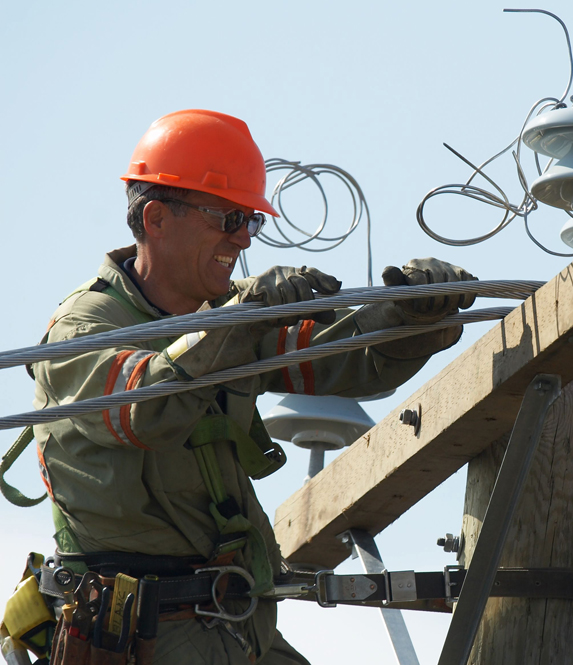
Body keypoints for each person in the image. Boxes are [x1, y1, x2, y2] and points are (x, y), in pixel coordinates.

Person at [30, 109, 478, 664]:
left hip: (236, 624)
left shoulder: (228, 314)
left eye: (251, 222)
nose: (242, 239)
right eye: (228, 218)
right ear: (156, 219)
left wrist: (409, 320)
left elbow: (342, 360)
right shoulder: (84, 327)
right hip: (142, 635)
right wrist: (246, 318)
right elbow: (146, 410)